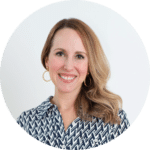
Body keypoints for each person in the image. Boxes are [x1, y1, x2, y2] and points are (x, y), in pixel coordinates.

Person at [16, 18, 130, 150]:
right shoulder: (26, 123)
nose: (68, 66)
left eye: (79, 56)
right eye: (60, 53)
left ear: (89, 66)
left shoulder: (114, 121)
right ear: (47, 60)